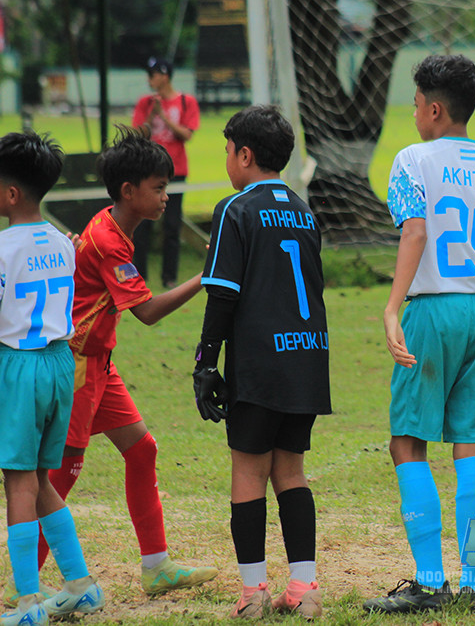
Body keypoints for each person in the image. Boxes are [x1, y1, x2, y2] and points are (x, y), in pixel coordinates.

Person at [362, 54, 475, 615]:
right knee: (472, 443)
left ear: (435, 109)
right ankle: (474, 581)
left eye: (416, 104)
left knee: (407, 441)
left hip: (432, 311)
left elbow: (414, 232)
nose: (414, 114)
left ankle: (429, 581)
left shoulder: (412, 160)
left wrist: (393, 307)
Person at [41, 126, 218, 597]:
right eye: (158, 188)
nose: (165, 196)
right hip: (78, 366)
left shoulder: (114, 228)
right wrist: (206, 276)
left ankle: (156, 567)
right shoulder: (109, 241)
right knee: (60, 474)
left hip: (99, 363)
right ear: (128, 190)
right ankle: (27, 585)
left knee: (142, 450)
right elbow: (148, 312)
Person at [193, 105, 330, 619]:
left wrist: (207, 363)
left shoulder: (236, 208)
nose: (228, 159)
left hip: (260, 362)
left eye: (228, 151)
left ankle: (253, 594)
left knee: (249, 471)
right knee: (291, 469)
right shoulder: (303, 210)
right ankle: (304, 588)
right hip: (307, 357)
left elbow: (222, 295)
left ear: (245, 155)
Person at [0, 132, 105, 625]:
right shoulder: (64, 241)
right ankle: (81, 584)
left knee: (18, 481)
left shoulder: (4, 247)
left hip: (20, 365)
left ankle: (27, 603)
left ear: (11, 193)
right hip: (61, 364)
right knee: (41, 477)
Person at [131, 56, 200, 289]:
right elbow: (137, 134)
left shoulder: (186, 102)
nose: (149, 79)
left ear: (165, 76)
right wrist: (152, 115)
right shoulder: (145, 103)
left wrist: (165, 117)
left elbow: (187, 134)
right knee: (142, 225)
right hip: (148, 169)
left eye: (153, 74)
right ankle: (139, 276)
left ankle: (169, 277)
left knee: (172, 225)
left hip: (176, 170)